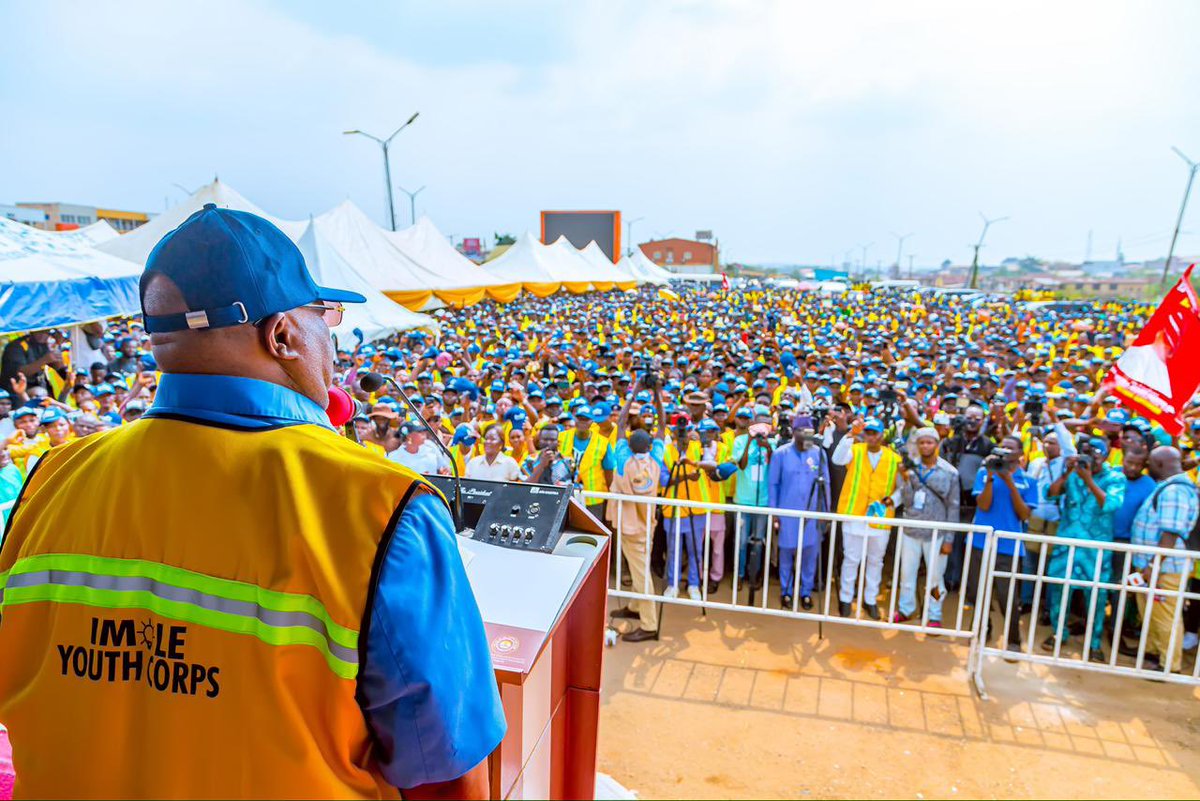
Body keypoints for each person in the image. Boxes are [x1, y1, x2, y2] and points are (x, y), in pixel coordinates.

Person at [0, 205, 503, 798]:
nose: (333, 342)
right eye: (326, 316)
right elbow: (448, 777)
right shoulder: (384, 506)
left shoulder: (53, 479)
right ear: (282, 335)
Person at [1042, 437, 1124, 660]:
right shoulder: (1073, 474)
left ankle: (1094, 643)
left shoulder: (1115, 477)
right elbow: (1050, 494)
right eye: (1086, 452)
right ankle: (1059, 634)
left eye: (1095, 453)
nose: (1090, 457)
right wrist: (1067, 472)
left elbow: (1110, 505)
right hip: (1067, 546)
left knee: (1096, 597)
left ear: (1106, 455)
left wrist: (1089, 480)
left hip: (1095, 551)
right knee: (1060, 592)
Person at [1128, 446, 1198, 672]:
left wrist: (1153, 566)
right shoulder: (1169, 487)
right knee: (1151, 614)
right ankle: (1153, 654)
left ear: (1158, 465)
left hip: (1164, 568)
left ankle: (1168, 665)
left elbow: (1170, 533)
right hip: (1156, 566)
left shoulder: (1175, 491)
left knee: (1164, 616)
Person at [968, 435, 1038, 655]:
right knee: (979, 591)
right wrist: (990, 478)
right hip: (981, 542)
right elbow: (983, 505)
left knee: (1008, 595)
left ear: (1020, 454)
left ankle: (1014, 639)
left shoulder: (1029, 481)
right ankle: (981, 631)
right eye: (1002, 448)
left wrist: (1009, 482)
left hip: (1009, 546)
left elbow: (1024, 514)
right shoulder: (983, 473)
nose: (1005, 452)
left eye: (1010, 449)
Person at [832, 417, 901, 619]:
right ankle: (846, 598)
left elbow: (901, 488)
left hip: (880, 519)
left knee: (875, 561)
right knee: (851, 559)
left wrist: (892, 500)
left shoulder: (894, 458)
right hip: (854, 515)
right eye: (868, 433)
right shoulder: (854, 449)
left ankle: (870, 599)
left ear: (882, 435)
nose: (871, 437)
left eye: (875, 433)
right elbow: (837, 459)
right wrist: (850, 435)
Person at [895, 427, 959, 627]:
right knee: (907, 574)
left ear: (937, 444)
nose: (925, 446)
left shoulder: (950, 472)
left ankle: (934, 615)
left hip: (936, 533)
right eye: (921, 442)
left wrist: (949, 539)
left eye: (929, 442)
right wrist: (905, 480)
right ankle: (906, 609)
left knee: (935, 577)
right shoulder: (911, 468)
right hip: (911, 529)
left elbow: (953, 506)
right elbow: (906, 500)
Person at [768, 416, 830, 610]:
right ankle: (786, 591)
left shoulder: (818, 453)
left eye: (808, 431)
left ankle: (805, 592)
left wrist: (825, 512)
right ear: (793, 432)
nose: (804, 435)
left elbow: (825, 484)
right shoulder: (781, 454)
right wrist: (774, 514)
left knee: (810, 555)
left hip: (812, 513)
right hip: (788, 513)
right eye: (801, 431)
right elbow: (773, 485)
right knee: (786, 553)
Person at [606, 429, 662, 642]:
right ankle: (635, 607)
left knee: (640, 572)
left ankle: (649, 624)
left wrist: (634, 395)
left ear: (628, 446)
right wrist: (657, 398)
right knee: (639, 566)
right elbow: (663, 428)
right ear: (650, 445)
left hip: (631, 526)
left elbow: (620, 425)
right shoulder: (656, 458)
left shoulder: (623, 461)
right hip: (647, 524)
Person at [730, 405, 776, 584]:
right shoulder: (740, 441)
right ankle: (739, 575)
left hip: (762, 501)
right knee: (741, 542)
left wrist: (768, 448)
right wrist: (750, 441)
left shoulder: (770, 443)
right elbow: (741, 465)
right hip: (743, 500)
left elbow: (774, 469)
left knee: (758, 541)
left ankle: (753, 575)